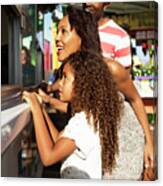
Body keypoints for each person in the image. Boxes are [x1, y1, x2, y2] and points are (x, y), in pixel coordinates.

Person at [38, 6, 154, 180]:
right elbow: (89, 111)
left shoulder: (110, 68)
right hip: (102, 151)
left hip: (124, 146)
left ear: (81, 36)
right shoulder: (73, 72)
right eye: (57, 32)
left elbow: (136, 99)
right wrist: (47, 99)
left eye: (64, 32)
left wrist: (149, 143)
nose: (57, 38)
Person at [23, 51, 123, 179]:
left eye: (65, 77)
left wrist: (35, 108)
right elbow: (59, 140)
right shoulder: (87, 117)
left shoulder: (83, 123)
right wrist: (42, 110)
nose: (59, 83)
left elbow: (48, 158)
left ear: (82, 83)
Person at [83, 2, 131, 74]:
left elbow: (123, 78)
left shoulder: (120, 36)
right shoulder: (75, 31)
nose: (87, 3)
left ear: (105, 4)